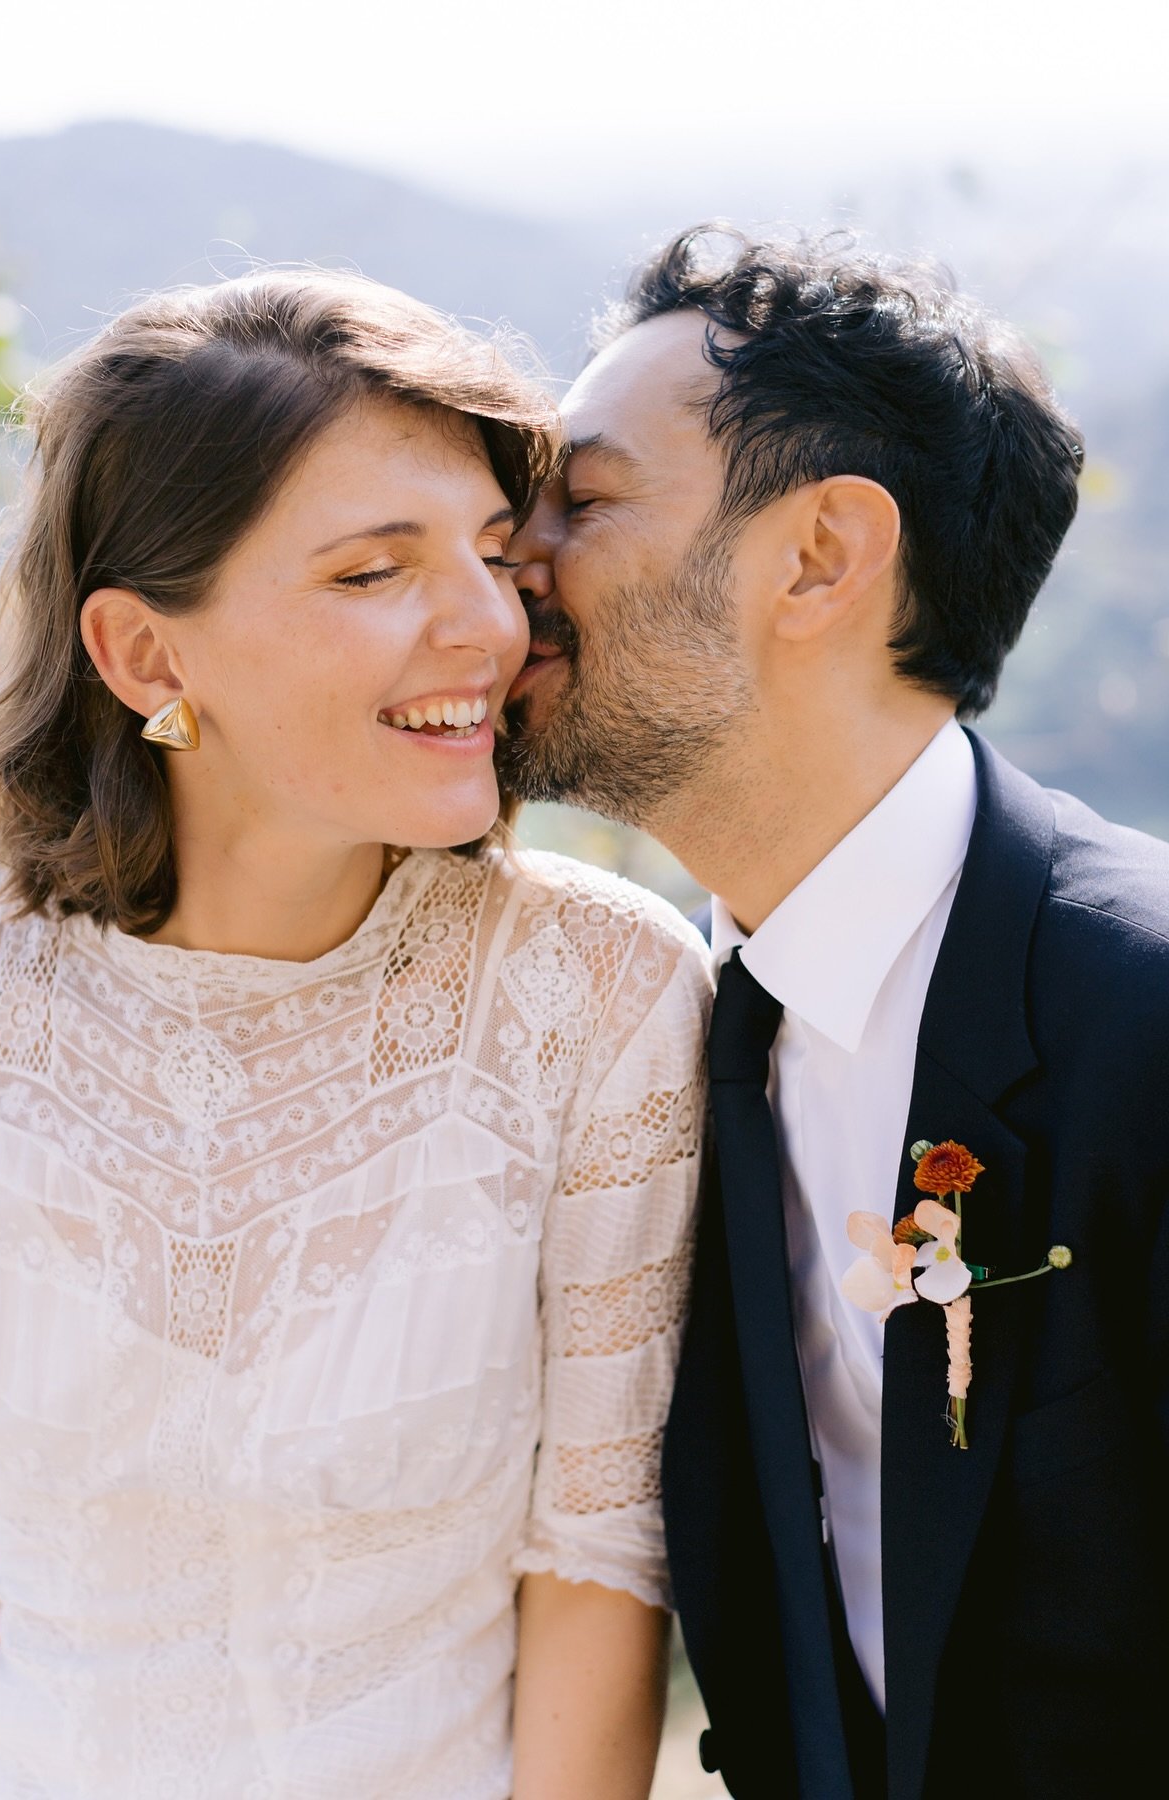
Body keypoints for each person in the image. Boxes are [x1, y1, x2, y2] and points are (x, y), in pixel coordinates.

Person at [0, 271, 713, 1800]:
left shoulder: (594, 993)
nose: (488, 625)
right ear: (148, 659)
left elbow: (597, 1552)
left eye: (489, 553)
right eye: (369, 574)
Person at [499, 226, 1169, 1799]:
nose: (505, 562)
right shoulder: (659, 1030)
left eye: (580, 502)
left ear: (817, 556)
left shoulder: (1146, 1020)